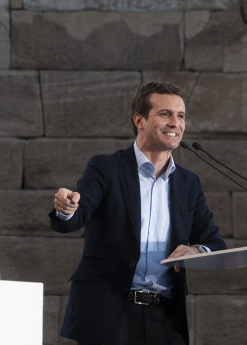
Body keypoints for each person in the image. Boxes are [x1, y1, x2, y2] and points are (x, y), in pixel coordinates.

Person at [49, 82, 226, 345]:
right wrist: (67, 208)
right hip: (109, 313)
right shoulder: (106, 168)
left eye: (181, 116)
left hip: (166, 317)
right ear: (139, 120)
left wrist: (197, 250)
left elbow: (215, 243)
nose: (175, 123)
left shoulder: (188, 183)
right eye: (165, 114)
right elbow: (76, 215)